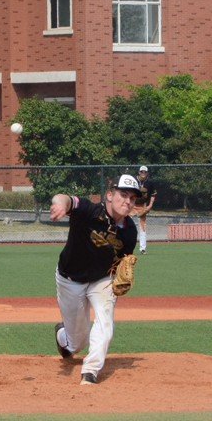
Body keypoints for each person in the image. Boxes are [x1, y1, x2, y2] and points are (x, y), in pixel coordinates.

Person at [49, 174, 141, 385]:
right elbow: (64, 198)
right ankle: (63, 336)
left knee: (105, 322)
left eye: (133, 198)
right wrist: (60, 205)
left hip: (102, 280)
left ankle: (90, 372)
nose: (127, 201)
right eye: (123, 194)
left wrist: (119, 276)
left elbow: (120, 262)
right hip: (70, 278)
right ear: (109, 195)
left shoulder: (130, 232)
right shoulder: (90, 210)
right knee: (77, 343)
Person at [132, 165, 157, 254]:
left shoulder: (150, 183)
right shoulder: (133, 180)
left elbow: (153, 195)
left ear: (147, 173)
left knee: (143, 227)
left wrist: (149, 206)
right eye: (141, 171)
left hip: (142, 205)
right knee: (126, 224)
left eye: (145, 172)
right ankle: (124, 246)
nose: (143, 173)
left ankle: (143, 249)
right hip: (131, 205)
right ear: (139, 172)